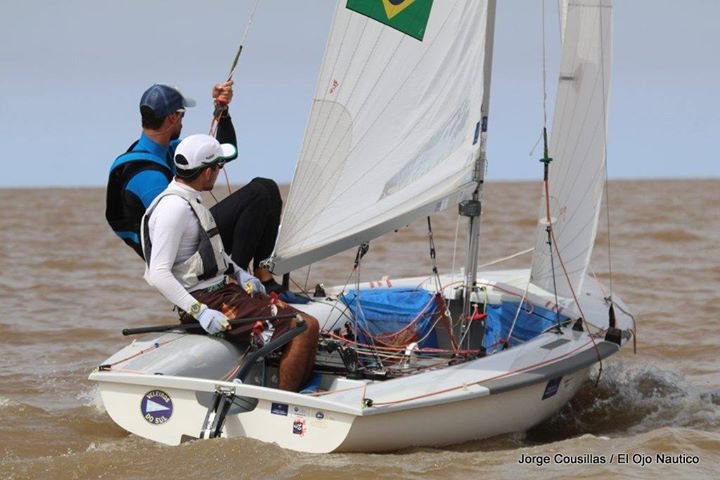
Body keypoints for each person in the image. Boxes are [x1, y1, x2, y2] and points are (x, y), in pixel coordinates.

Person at [140, 133, 319, 392]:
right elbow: (158, 273)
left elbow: (212, 253)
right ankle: (285, 404)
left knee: (302, 320)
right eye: (219, 167)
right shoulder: (174, 209)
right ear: (206, 171)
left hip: (225, 291)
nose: (220, 172)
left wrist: (240, 273)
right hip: (208, 302)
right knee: (305, 328)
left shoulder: (190, 199)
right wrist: (200, 312)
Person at [105, 82, 286, 292]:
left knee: (267, 188)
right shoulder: (147, 175)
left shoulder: (166, 150)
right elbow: (175, 235)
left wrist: (222, 112)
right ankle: (235, 283)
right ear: (172, 117)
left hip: (191, 241)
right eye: (182, 115)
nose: (183, 122)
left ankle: (264, 278)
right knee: (257, 194)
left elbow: (227, 151)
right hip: (187, 259)